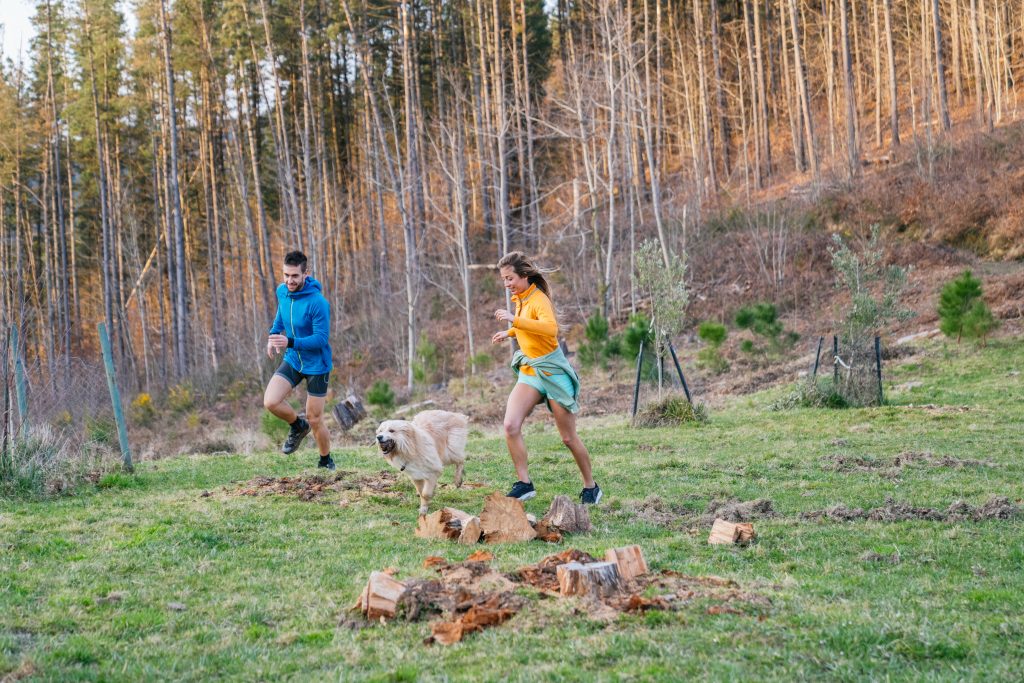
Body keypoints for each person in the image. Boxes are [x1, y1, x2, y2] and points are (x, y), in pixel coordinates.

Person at [491, 251, 602, 504]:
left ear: (525, 276)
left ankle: (591, 487)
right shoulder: (520, 297)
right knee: (510, 426)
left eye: (510, 279)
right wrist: (509, 332)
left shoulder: (538, 299)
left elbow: (550, 329)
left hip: (553, 372)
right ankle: (524, 483)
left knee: (568, 437)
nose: (507, 284)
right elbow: (527, 326)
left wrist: (514, 320)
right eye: (504, 280)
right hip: (531, 371)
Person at [263, 250, 335, 470]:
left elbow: (321, 339)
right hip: (294, 359)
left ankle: (325, 460)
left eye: (294, 276)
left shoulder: (317, 302)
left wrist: (290, 342)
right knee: (271, 402)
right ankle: (297, 425)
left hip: (317, 365)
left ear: (306, 273)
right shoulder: (282, 292)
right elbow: (280, 316)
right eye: (286, 275)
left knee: (315, 418)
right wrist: (273, 337)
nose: (289, 280)